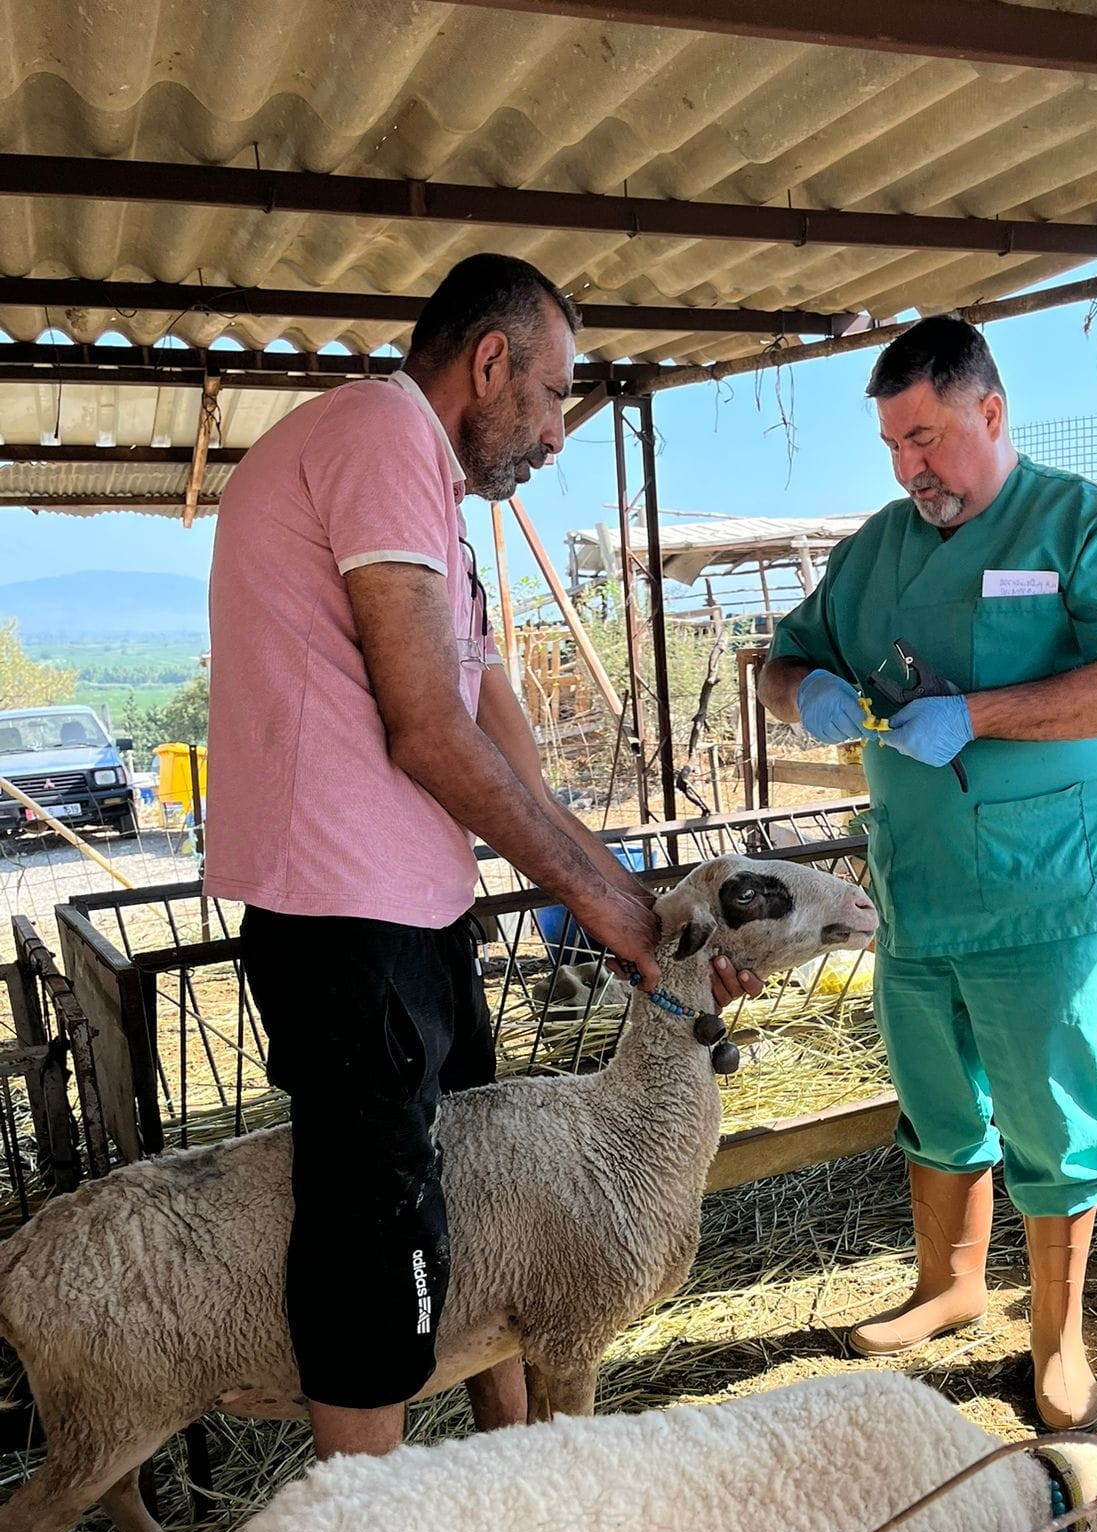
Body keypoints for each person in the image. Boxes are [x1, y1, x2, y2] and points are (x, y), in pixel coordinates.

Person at [205, 254, 752, 1461]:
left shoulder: (433, 510)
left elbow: (491, 710)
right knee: (374, 1236)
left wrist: (641, 905)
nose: (558, 433)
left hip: (412, 913)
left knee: (478, 1199)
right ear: (488, 361)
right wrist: (607, 905)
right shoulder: (378, 438)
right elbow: (429, 725)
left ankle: (506, 1474)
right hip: (345, 921)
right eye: (554, 395)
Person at [758, 317, 1097, 1429]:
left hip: (1043, 890)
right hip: (919, 885)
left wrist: (980, 714)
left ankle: (1058, 1338)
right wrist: (802, 693)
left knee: (1051, 1111)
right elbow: (782, 657)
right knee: (937, 1098)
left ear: (991, 414)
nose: (910, 468)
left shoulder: (1080, 521)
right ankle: (949, 1285)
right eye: (895, 445)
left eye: (928, 438)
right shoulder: (875, 548)